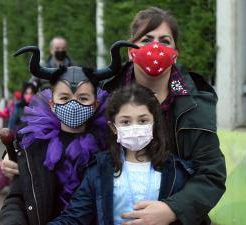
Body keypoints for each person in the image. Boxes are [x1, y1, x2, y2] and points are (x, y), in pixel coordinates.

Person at [102, 7, 226, 225]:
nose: (155, 47)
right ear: (131, 49)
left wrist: (172, 209)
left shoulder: (195, 103)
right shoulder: (104, 96)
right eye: (147, 39)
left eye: (164, 41)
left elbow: (211, 174)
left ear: (175, 51)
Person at [0, 41, 135, 225]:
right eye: (64, 98)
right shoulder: (36, 144)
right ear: (52, 104)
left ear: (96, 104)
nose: (73, 104)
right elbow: (17, 197)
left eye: (83, 98)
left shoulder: (111, 142)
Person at [48, 84, 194, 225]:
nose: (135, 127)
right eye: (125, 122)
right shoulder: (99, 169)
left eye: (143, 120)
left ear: (154, 123)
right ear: (113, 127)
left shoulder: (176, 171)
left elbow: (190, 214)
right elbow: (75, 217)